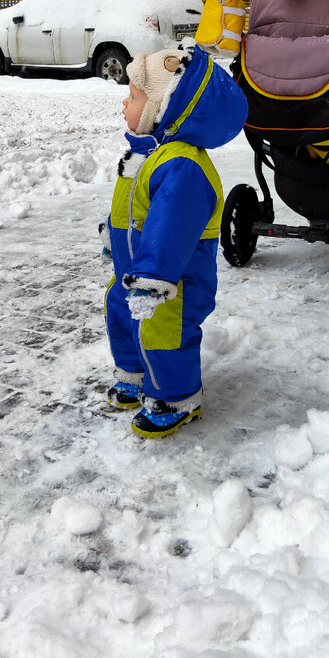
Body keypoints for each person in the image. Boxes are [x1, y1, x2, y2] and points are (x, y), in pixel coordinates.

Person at [100, 42, 248, 438]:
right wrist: (113, 241)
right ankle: (135, 374)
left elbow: (171, 227)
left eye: (133, 97)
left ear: (162, 109)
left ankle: (176, 397)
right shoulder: (148, 155)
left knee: (164, 332)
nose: (124, 105)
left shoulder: (182, 165)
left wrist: (153, 276)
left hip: (171, 282)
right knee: (121, 313)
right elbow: (130, 209)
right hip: (135, 272)